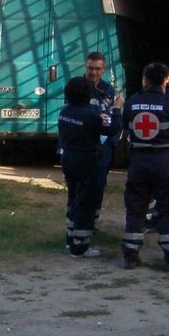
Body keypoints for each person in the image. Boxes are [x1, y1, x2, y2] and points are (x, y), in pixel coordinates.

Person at [120, 62, 169, 270]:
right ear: (166, 80)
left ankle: (131, 253)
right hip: (164, 162)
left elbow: (126, 128)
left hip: (139, 162)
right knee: (168, 205)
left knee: (136, 205)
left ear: (145, 79)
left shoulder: (131, 103)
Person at [57, 76, 107, 258]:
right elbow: (111, 128)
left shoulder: (64, 111)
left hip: (68, 158)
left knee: (74, 197)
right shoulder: (90, 114)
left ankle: (70, 237)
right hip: (87, 160)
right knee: (86, 201)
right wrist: (116, 110)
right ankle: (80, 246)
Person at [84, 51, 124, 219]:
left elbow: (114, 116)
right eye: (90, 68)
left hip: (104, 143)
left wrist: (115, 110)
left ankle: (93, 219)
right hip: (85, 142)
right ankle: (79, 220)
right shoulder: (78, 86)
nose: (93, 72)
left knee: (99, 182)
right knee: (83, 184)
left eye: (98, 69)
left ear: (104, 70)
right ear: (85, 67)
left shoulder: (108, 89)